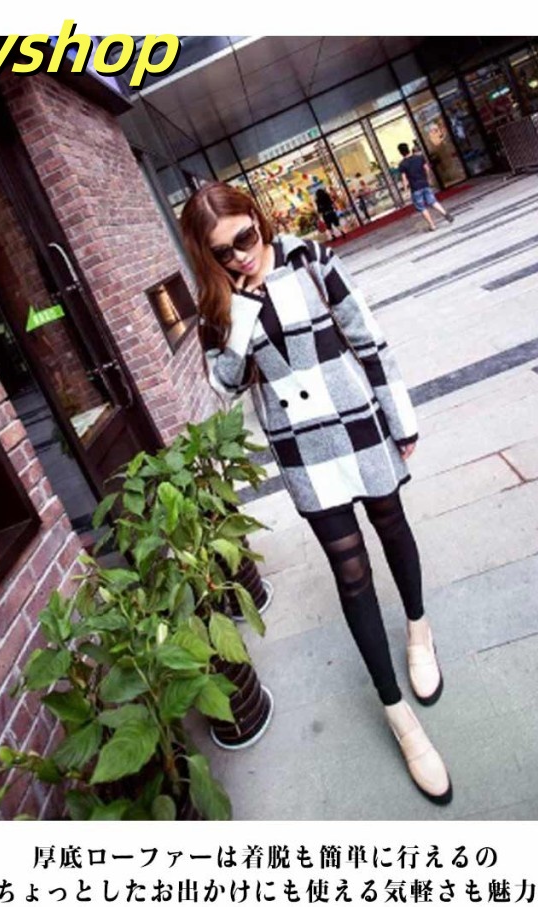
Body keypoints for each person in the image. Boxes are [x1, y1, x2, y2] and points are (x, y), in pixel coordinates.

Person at [180, 182, 452, 806]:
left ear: (257, 218)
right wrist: (238, 308)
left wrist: (400, 416)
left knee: (392, 524)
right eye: (223, 252)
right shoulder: (217, 307)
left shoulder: (309, 259)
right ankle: (398, 714)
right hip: (302, 450)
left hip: (357, 421)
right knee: (350, 573)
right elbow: (225, 385)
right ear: (207, 257)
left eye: (246, 237)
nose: (241, 255)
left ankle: (418, 630)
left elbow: (367, 337)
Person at [397, 141, 454, 232]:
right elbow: (427, 169)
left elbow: (404, 179)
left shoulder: (402, 164)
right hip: (424, 184)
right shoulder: (419, 158)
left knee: (422, 207)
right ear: (408, 149)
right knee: (433, 201)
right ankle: (445, 213)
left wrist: (406, 190)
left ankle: (432, 225)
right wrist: (428, 179)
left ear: (400, 152)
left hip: (415, 188)